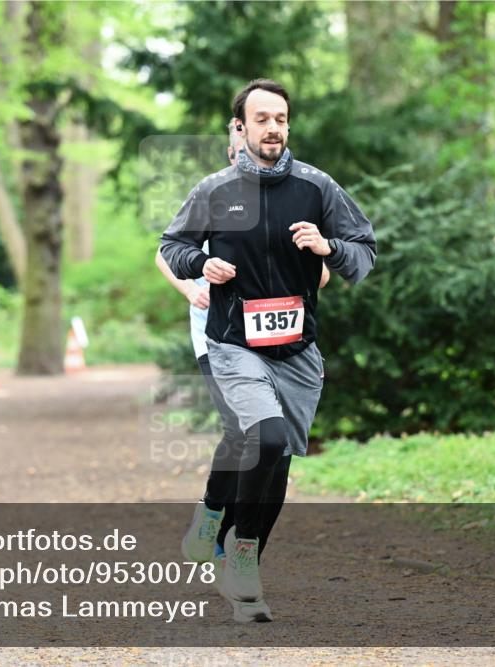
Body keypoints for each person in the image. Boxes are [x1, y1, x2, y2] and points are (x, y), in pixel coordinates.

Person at [159, 79, 376, 620]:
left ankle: (244, 554)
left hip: (297, 352)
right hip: (235, 345)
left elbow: (364, 252)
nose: (272, 128)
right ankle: (234, 551)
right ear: (242, 127)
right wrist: (200, 265)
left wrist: (329, 247)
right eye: (261, 119)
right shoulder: (215, 189)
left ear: (288, 124)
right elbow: (172, 246)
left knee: (277, 458)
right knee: (264, 436)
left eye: (280, 118)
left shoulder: (317, 187)